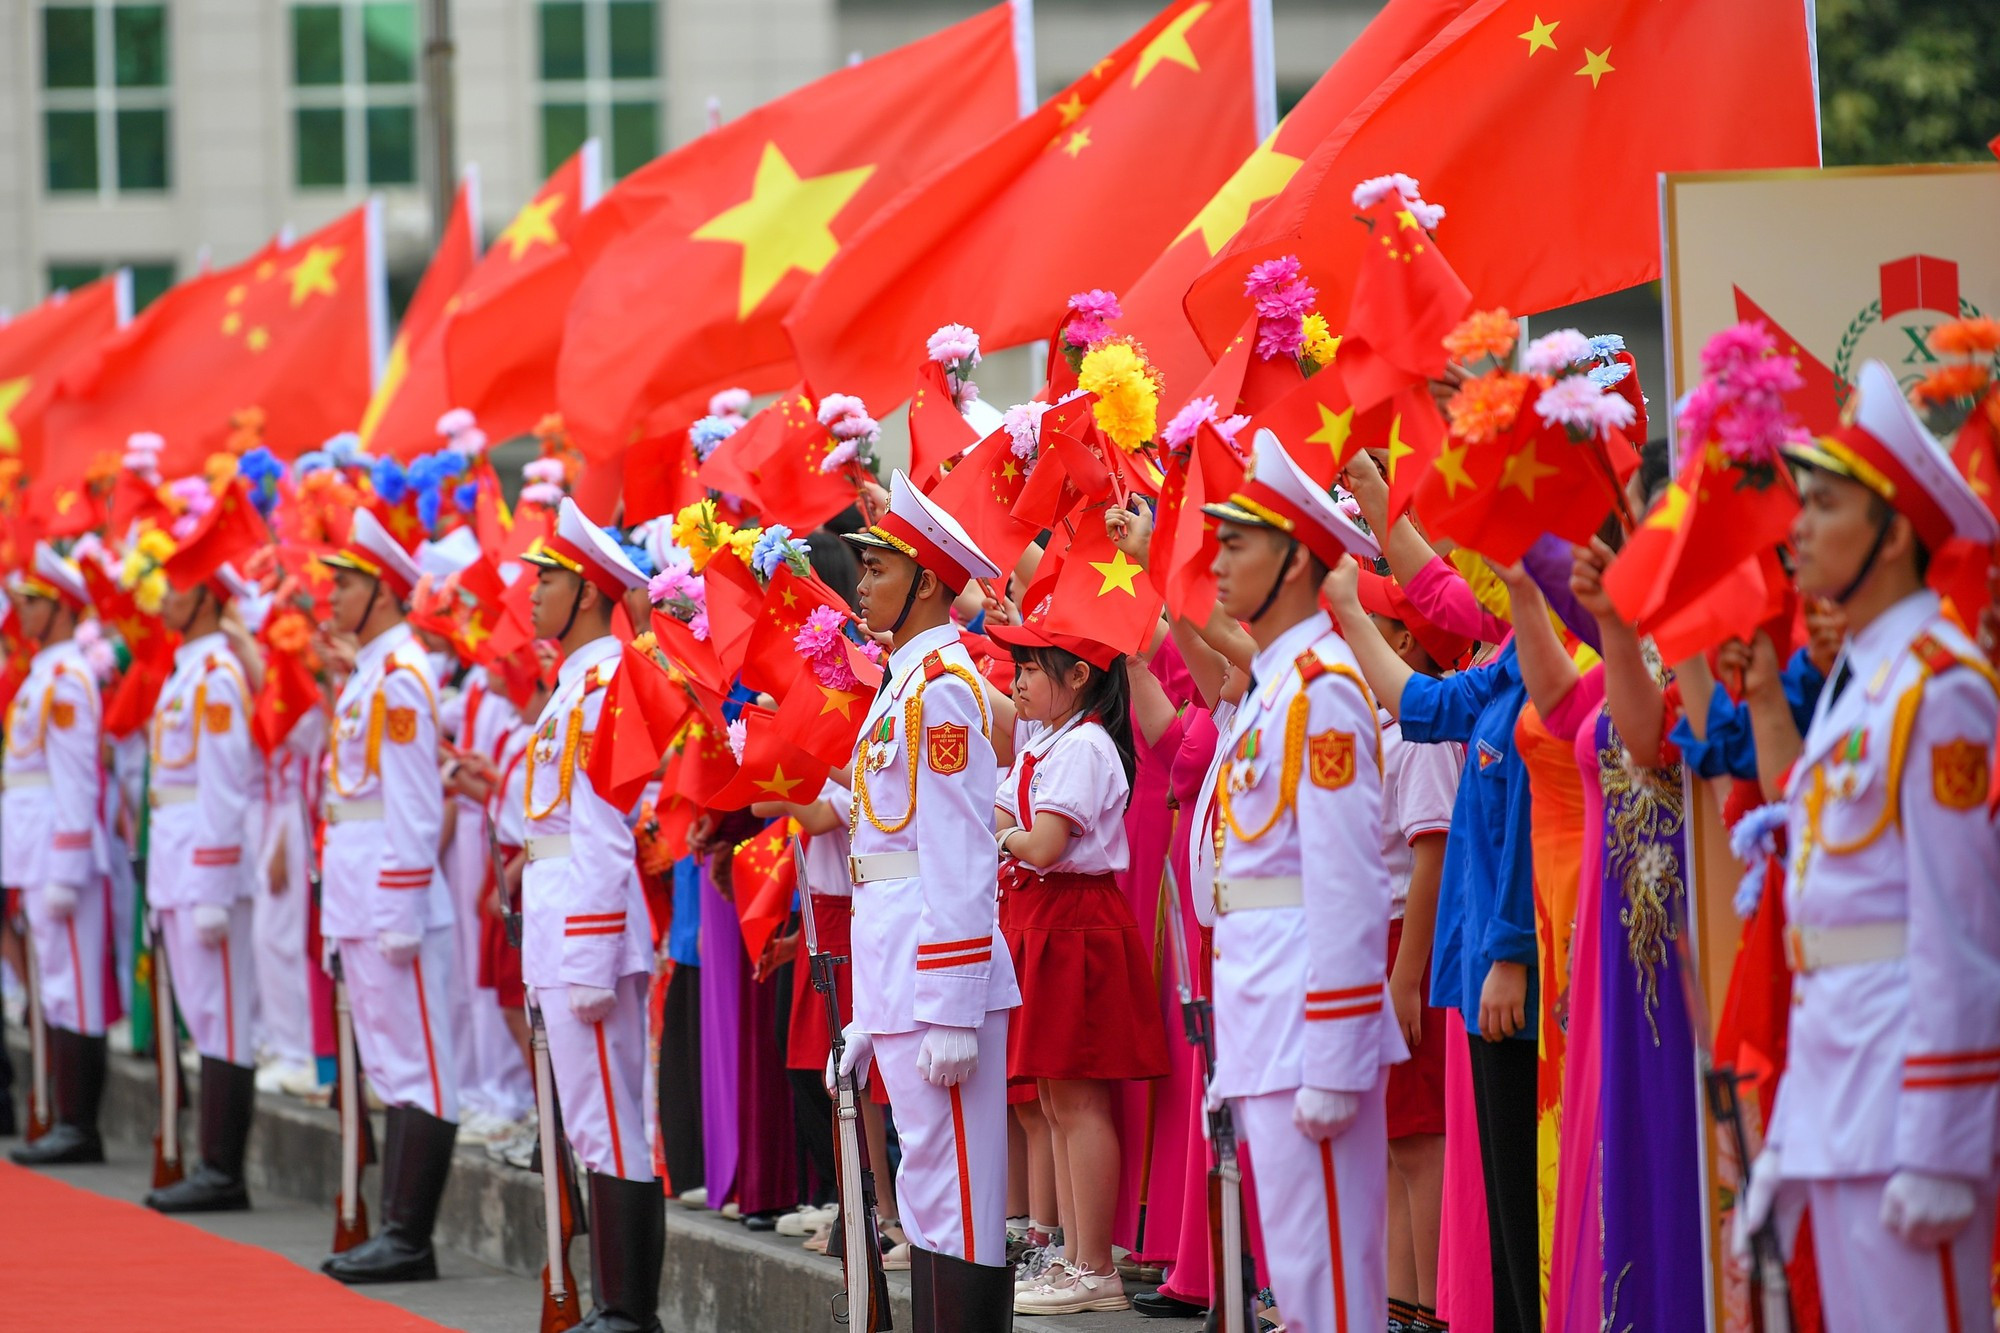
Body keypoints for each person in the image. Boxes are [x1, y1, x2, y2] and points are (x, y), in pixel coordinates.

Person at [1736, 360, 2000, 1329]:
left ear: (1891, 533)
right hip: (1842, 1099)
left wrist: (1939, 1138)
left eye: (1824, 504)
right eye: (1797, 501)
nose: (1795, 526)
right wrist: (1788, 1135)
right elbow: (1829, 940)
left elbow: (1956, 930)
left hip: (1903, 1108)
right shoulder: (1868, 685)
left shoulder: (1941, 689)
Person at [1202, 428, 1408, 1333]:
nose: (1215, 561)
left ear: (1293, 559)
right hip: (1264, 1012)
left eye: (1236, 541)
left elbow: (1346, 882)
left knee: (1330, 1290)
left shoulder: (1322, 685)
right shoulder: (1277, 683)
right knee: (1300, 1275)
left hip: (1304, 1021)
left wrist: (1333, 1048)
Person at [836, 471, 1019, 1330]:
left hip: (940, 975)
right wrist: (875, 1009)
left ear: (929, 583)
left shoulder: (941, 688)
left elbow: (957, 855)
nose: (861, 582)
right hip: (900, 968)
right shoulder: (904, 686)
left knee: (961, 1205)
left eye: (878, 568)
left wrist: (948, 1003)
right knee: (928, 1192)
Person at [988, 598, 1171, 1316]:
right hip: (1044, 919)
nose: (1018, 680)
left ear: (1080, 674)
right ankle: (1071, 1253)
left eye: (1031, 667)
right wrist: (1013, 835)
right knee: (1056, 1098)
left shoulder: (1088, 745)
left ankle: (1094, 1264)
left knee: (1081, 1097)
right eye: (1017, 665)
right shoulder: (1048, 741)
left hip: (1076, 923)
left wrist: (1009, 839)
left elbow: (1037, 843)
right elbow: (1010, 818)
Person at [520, 498, 664, 1333]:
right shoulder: (573, 686)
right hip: (559, 918)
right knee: (588, 1119)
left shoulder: (606, 682)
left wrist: (590, 948)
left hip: (588, 931)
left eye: (548, 581)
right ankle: (615, 1303)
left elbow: (606, 828)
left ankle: (626, 1309)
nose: (533, 595)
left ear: (584, 592)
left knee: (612, 1122)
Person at [317, 508, 460, 1284]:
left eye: (344, 584)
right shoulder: (372, 671)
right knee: (390, 1062)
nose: (330, 595)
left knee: (419, 1064)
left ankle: (409, 1234)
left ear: (379, 590)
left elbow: (411, 800)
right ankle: (400, 1229)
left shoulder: (400, 673)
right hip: (360, 887)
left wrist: (400, 901)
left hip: (392, 895)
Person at [1354, 572, 1463, 1333]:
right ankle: (1398, 1300)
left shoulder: (1420, 739)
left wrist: (1405, 975)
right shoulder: (1385, 728)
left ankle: (1433, 1306)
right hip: (1379, 942)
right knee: (1394, 1136)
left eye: (1370, 623)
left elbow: (1432, 855)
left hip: (1406, 943)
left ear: (1403, 642)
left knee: (1423, 1138)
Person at [142, 558, 263, 1212]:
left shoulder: (216, 674)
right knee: (203, 1011)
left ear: (208, 599)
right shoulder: (189, 668)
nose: (164, 598)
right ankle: (213, 1162)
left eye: (178, 587)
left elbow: (225, 780)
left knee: (221, 1013)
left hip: (204, 863)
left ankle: (223, 1169)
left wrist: (214, 880)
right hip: (179, 856)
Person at [5, 544, 110, 1167]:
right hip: (34, 848)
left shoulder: (67, 678)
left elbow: (76, 779)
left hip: (58, 852)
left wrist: (67, 863)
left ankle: (79, 1125)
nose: (23, 614)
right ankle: (65, 1119)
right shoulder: (47, 672)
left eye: (35, 604)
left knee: (74, 989)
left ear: (62, 609)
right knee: (56, 988)